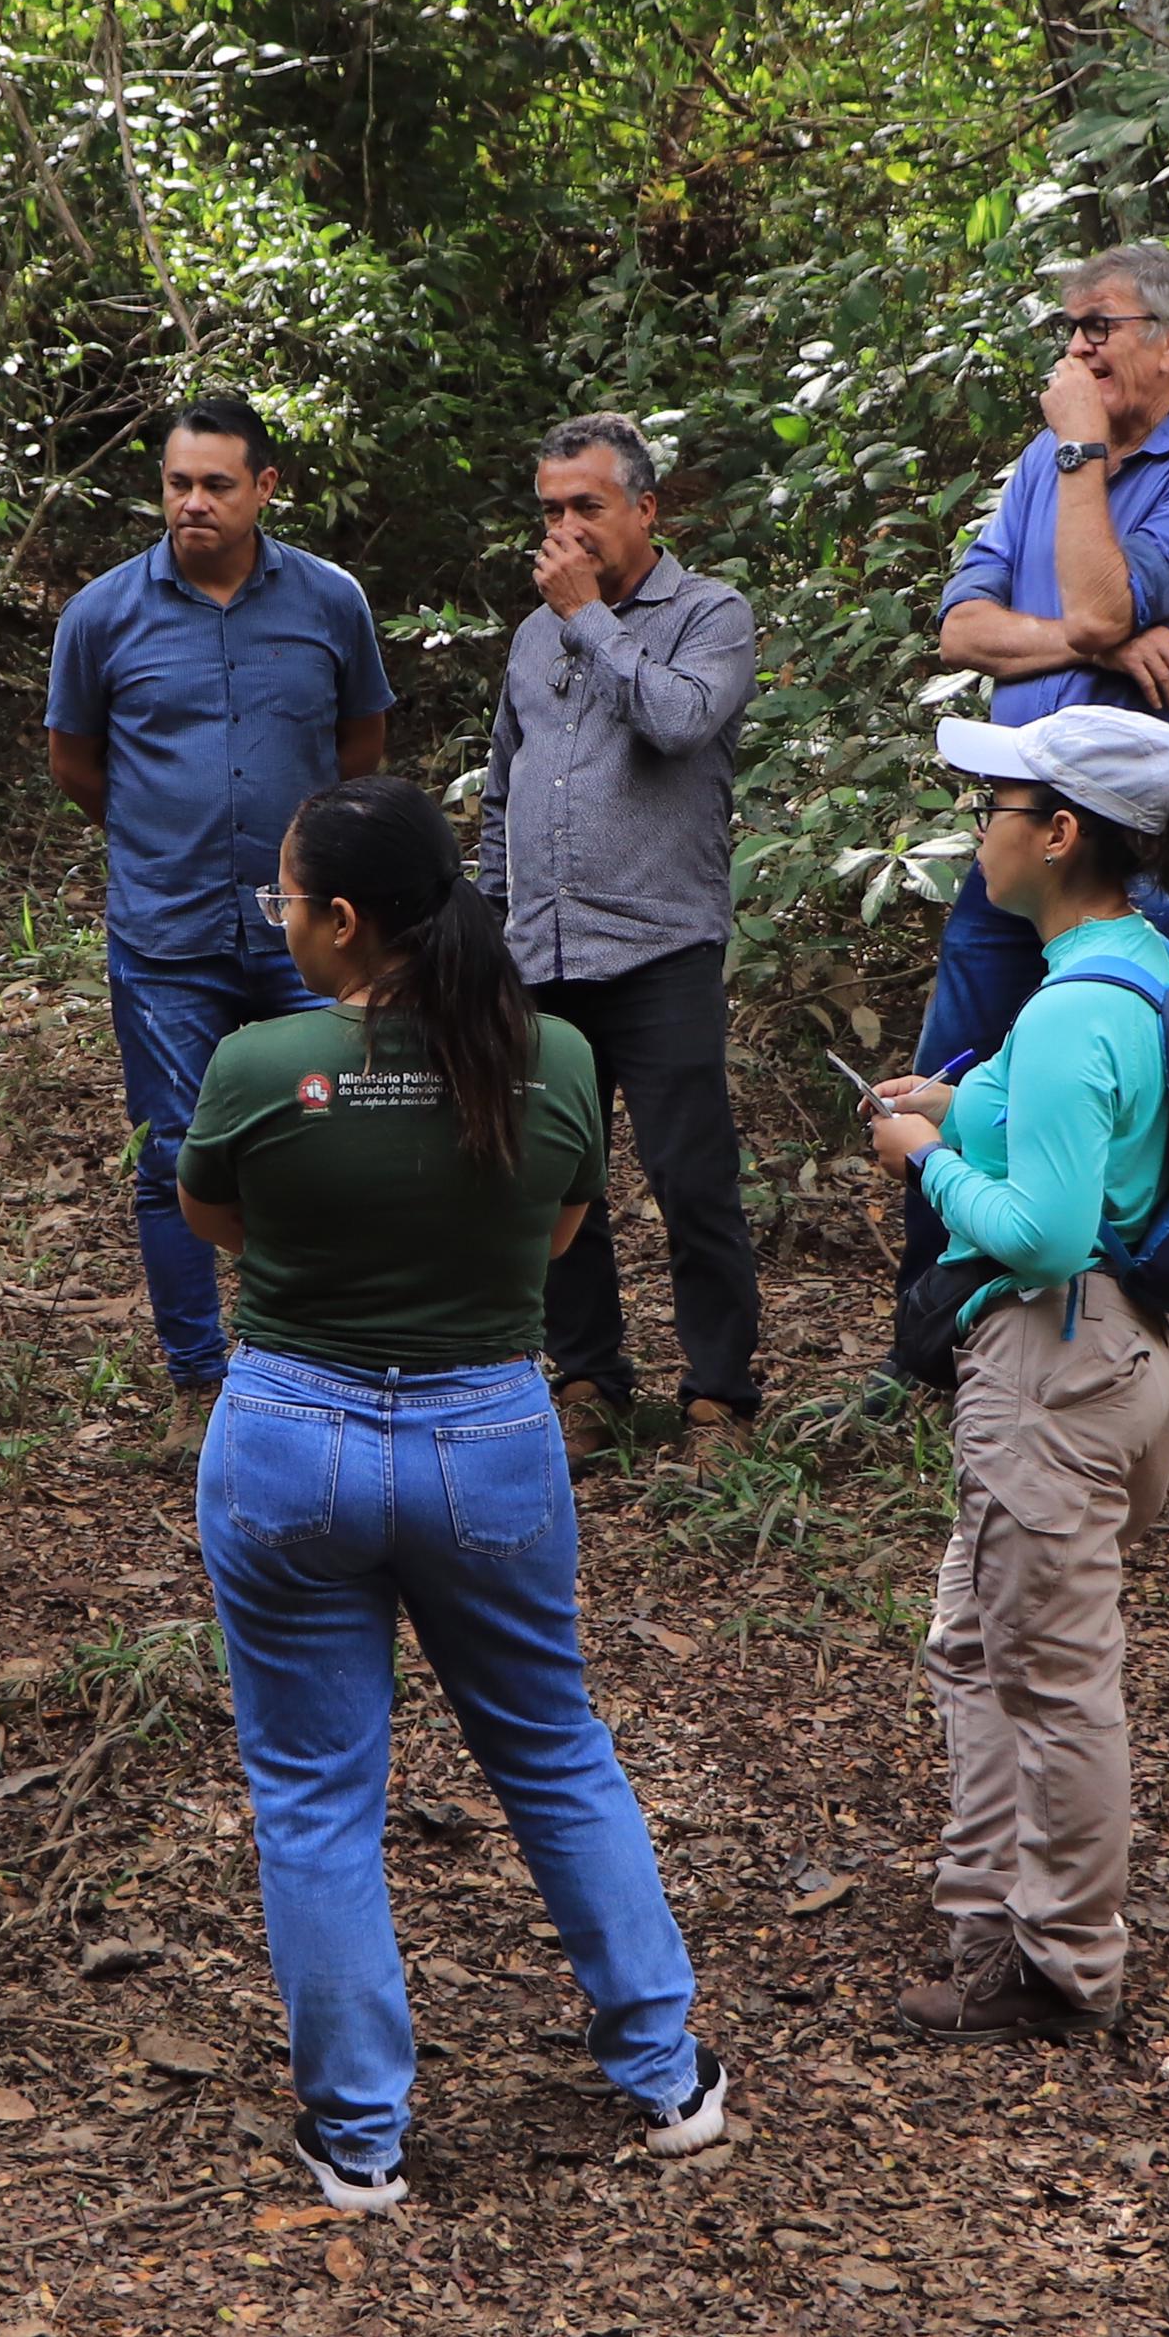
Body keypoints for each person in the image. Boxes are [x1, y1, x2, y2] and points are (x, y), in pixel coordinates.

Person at [177, 776, 731, 2208]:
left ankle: (358, 2140)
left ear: (345, 921)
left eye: (286, 902)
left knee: (312, 1797)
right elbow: (553, 1233)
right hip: (491, 1438)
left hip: (292, 1436)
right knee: (552, 1748)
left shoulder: (258, 1063)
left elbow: (218, 1221)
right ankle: (667, 2074)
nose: (280, 925)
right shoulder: (545, 1057)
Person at [861, 704, 1169, 2044]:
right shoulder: (1135, 962)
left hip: (1055, 1374)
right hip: (1117, 1360)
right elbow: (1085, 1135)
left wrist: (928, 1165)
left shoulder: (1074, 1013)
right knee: (975, 1640)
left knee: (1055, 1677)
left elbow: (1048, 1229)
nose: (980, 831)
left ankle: (1062, 1965)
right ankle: (991, 1906)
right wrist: (955, 1106)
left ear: (1060, 836)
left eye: (999, 809)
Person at [889, 244, 1169, 1392]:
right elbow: (961, 631)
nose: (1076, 347)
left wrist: (1078, 459)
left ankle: (1088, 1343)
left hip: (1127, 841)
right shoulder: (1035, 464)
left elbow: (1106, 595)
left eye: (1098, 324)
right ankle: (933, 1339)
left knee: (1093, 1096)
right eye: (1069, 326)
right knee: (954, 1071)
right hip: (1017, 818)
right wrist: (1085, 640)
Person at [45, 393, 394, 1390]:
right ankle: (197, 1378)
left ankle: (321, 1356)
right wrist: (164, 834)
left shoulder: (330, 602)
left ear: (265, 488)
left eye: (215, 484)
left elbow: (357, 749)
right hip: (167, 931)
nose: (191, 503)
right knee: (174, 1157)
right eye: (176, 483)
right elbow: (75, 763)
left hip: (309, 932)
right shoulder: (103, 614)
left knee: (331, 1138)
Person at [477, 413, 764, 1440]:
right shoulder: (529, 634)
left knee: (692, 1180)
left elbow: (680, 719)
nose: (564, 528)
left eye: (585, 507)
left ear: (645, 508)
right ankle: (587, 1381)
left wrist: (591, 617)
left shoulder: (708, 613)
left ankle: (719, 1394)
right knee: (555, 1177)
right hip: (541, 951)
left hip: (659, 946)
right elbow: (505, 788)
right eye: (550, 509)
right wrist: (489, 923)